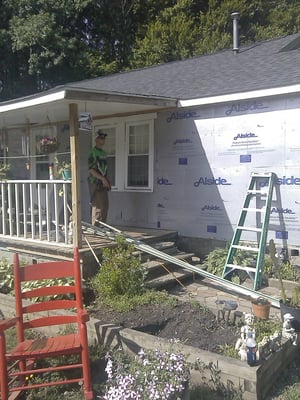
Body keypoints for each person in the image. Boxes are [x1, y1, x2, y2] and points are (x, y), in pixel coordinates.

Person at [88, 130, 111, 225]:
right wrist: (102, 179)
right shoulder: (92, 152)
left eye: (104, 138)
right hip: (95, 182)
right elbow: (91, 170)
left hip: (103, 182)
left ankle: (102, 226)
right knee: (98, 206)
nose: (103, 139)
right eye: (101, 137)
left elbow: (104, 169)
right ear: (96, 139)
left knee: (105, 205)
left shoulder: (104, 153)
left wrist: (107, 181)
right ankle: (95, 228)